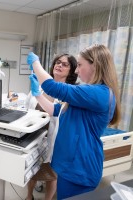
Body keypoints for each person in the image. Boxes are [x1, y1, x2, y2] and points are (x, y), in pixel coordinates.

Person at [27, 44, 121, 199]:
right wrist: (37, 94)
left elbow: (53, 87)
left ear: (95, 65)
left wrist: (35, 63)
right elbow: (56, 110)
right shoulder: (89, 91)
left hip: (80, 168)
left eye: (79, 65)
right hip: (70, 165)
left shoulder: (101, 94)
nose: (76, 70)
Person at [25, 54, 78, 200]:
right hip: (34, 137)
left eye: (65, 64)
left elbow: (59, 113)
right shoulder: (40, 85)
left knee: (52, 173)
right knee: (31, 170)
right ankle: (29, 196)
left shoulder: (70, 92)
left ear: (72, 71)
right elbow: (27, 108)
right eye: (58, 62)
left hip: (56, 140)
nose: (59, 65)